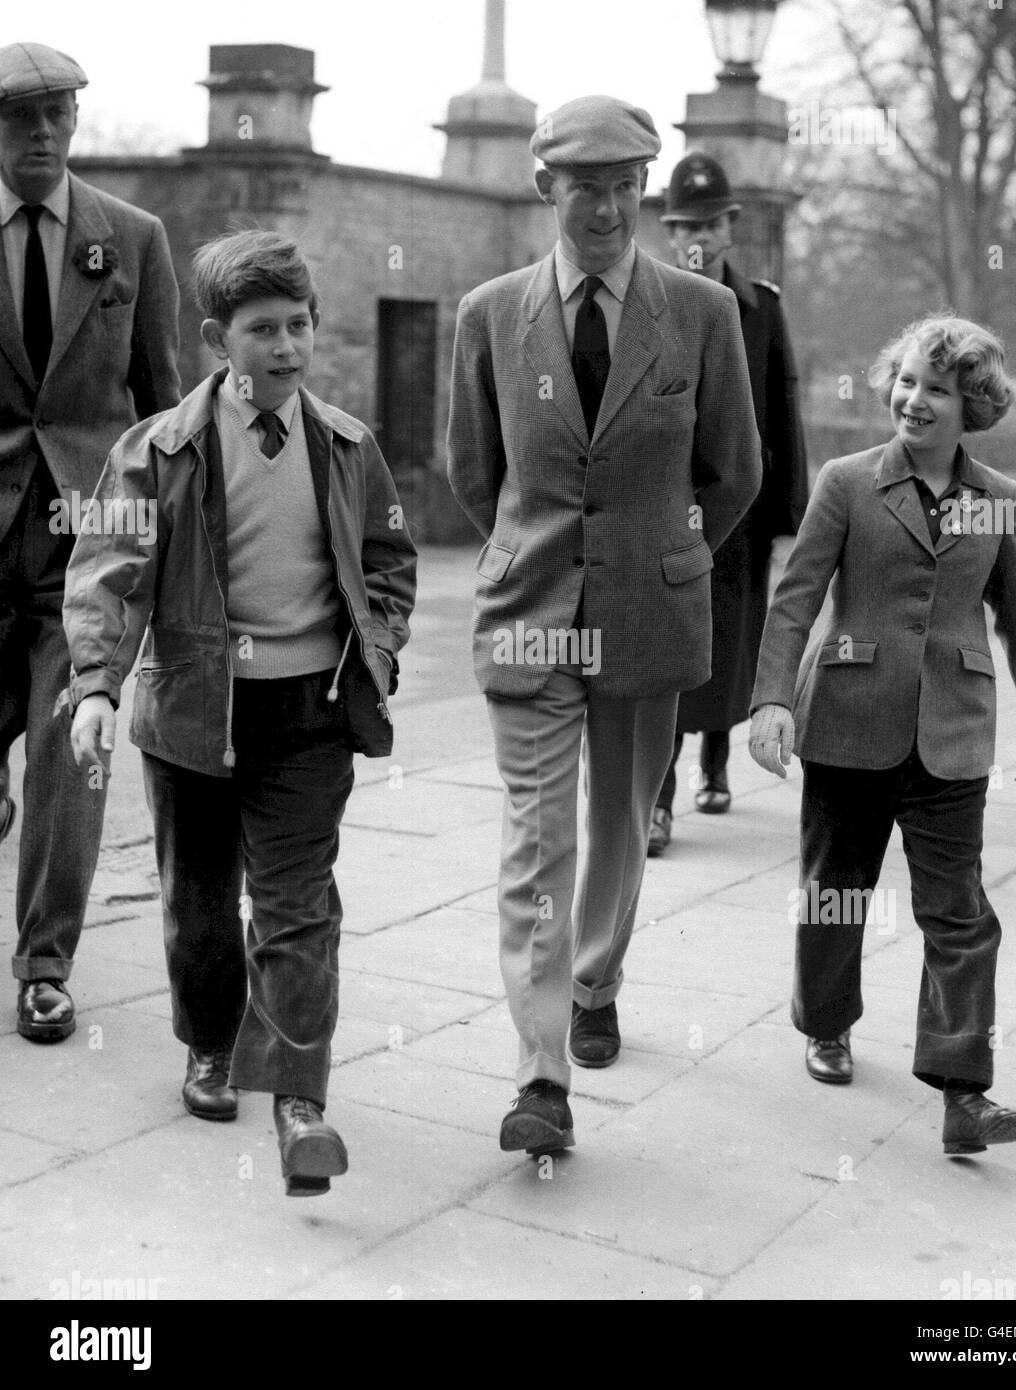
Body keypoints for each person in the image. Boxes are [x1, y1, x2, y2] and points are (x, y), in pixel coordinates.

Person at [64, 230, 417, 1196]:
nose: (288, 347)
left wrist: (376, 646)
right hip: (191, 714)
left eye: (300, 326)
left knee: (300, 903)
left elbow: (388, 559)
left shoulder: (347, 446)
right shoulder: (161, 449)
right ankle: (212, 1046)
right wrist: (96, 684)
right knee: (201, 906)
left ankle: (300, 1097)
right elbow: (106, 572)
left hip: (308, 714)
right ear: (219, 337)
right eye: (264, 330)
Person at [447, 96, 761, 1157]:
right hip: (532, 613)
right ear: (547, 188)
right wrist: (535, 548)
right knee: (537, 842)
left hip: (648, 612)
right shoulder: (490, 314)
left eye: (629, 186)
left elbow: (736, 470)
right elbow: (471, 471)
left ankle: (596, 978)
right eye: (587, 186)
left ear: (648, 191)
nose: (609, 207)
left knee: (620, 827)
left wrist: (672, 557)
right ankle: (541, 1075)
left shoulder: (703, 315)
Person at [748, 313, 1016, 1156]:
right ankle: (825, 1022)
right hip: (847, 719)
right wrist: (770, 700)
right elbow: (795, 596)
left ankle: (965, 1093)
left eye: (939, 391)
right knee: (835, 890)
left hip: (952, 730)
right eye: (908, 381)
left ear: (972, 408)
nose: (914, 401)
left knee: (958, 914)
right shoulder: (846, 482)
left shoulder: (995, 500)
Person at [0, 41, 180, 1042]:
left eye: (55, 113)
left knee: (73, 758)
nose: (40, 132)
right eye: (19, 116)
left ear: (76, 120)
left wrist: (170, 544)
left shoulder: (134, 239)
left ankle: (45, 962)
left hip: (90, 549)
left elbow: (165, 406)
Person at [649, 151, 808, 855]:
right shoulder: (646, 301)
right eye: (685, 223)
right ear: (666, 227)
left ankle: (715, 767)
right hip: (661, 509)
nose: (698, 237)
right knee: (659, 650)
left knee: (727, 641)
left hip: (738, 514)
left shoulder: (761, 308)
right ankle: (656, 799)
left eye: (711, 225)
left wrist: (791, 517)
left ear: (730, 229)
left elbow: (784, 408)